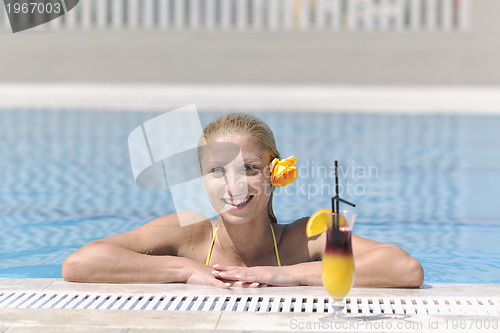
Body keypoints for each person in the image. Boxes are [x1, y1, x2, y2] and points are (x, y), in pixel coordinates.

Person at [62, 112, 424, 288]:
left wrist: (287, 275)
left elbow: (404, 268)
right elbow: (80, 263)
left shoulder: (307, 238)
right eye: (217, 171)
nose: (233, 186)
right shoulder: (188, 235)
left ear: (274, 172)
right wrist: (186, 270)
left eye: (250, 168)